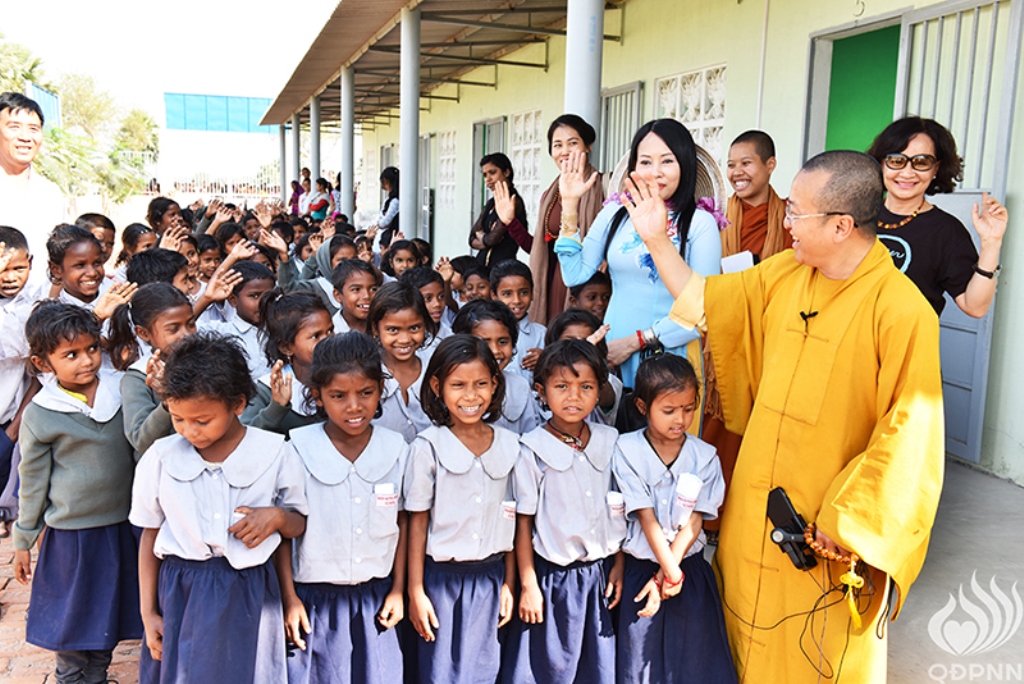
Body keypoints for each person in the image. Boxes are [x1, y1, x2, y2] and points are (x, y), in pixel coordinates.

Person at [628, 150, 945, 681]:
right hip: (757, 508)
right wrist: (657, 239)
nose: (786, 222)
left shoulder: (901, 309)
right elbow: (705, 302)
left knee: (818, 653)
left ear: (842, 225)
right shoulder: (787, 273)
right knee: (736, 641)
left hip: (824, 532)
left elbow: (911, 434)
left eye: (796, 213)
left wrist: (852, 524)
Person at [130, 332, 308, 683]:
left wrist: (276, 518)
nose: (188, 430)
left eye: (202, 420)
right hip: (183, 591)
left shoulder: (275, 452)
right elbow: (149, 537)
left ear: (238, 404)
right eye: (178, 419)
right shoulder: (161, 458)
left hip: (253, 589)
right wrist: (148, 612)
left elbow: (297, 524)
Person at [14, 302, 143, 684]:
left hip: (120, 525)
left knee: (109, 607)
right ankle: (70, 677)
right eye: (70, 355)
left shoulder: (120, 392)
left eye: (91, 349)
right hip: (71, 534)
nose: (85, 361)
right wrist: (23, 538)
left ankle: (98, 676)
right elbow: (33, 479)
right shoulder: (42, 412)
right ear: (42, 363)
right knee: (73, 613)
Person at [276, 332, 408, 684]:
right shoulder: (298, 449)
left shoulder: (397, 449)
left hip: (376, 600)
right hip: (314, 600)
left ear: (380, 390)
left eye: (366, 393)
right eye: (338, 396)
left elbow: (404, 524)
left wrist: (398, 589)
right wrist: (289, 600)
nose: (354, 406)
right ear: (317, 396)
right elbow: (284, 535)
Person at [555, 118, 722, 387]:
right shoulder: (615, 214)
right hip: (611, 355)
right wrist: (570, 203)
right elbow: (574, 274)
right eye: (645, 162)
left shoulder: (700, 224)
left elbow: (704, 310)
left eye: (667, 161)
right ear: (633, 168)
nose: (655, 172)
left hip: (669, 358)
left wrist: (636, 341)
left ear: (685, 164)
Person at [502, 340, 625, 684]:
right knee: (549, 667)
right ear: (541, 392)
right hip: (553, 577)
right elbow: (523, 524)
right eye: (561, 387)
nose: (574, 397)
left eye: (586, 387)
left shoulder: (611, 440)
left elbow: (621, 511)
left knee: (595, 666)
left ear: (599, 391)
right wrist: (528, 584)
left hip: (600, 576)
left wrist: (618, 564)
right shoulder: (531, 449)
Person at [612, 354, 735, 684]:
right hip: (641, 571)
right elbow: (645, 516)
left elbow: (696, 520)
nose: (680, 419)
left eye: (688, 408)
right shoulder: (626, 449)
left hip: (688, 571)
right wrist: (667, 574)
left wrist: (671, 573)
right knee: (637, 662)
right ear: (642, 406)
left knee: (691, 663)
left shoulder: (704, 455)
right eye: (668, 410)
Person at [404, 334, 518, 684]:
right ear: (437, 386)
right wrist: (415, 590)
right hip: (441, 583)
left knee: (486, 671)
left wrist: (509, 583)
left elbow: (514, 522)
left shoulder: (512, 446)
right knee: (440, 672)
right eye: (458, 385)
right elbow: (416, 522)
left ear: (495, 384)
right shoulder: (428, 447)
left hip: (491, 578)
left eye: (481, 384)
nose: (471, 396)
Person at [866, 116, 1008, 317]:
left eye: (921, 162)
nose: (907, 173)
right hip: (843, 343)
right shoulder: (855, 215)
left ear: (936, 169)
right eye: (897, 161)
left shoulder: (946, 231)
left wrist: (992, 243)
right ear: (881, 163)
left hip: (907, 345)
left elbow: (974, 307)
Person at [504, 114, 605, 324]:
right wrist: (510, 222)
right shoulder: (550, 195)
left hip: (586, 285)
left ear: (588, 146)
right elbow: (538, 248)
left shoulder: (604, 188)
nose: (565, 151)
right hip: (549, 281)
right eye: (557, 145)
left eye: (573, 143)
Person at [109, 283, 197, 456]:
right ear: (143, 333)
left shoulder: (204, 361)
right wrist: (168, 399)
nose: (186, 335)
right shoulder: (138, 378)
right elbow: (140, 439)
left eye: (191, 324)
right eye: (173, 329)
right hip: (164, 470)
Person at [242, 291, 334, 435]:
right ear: (286, 347)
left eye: (330, 331)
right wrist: (276, 407)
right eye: (315, 336)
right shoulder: (267, 391)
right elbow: (246, 438)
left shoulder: (343, 375)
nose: (327, 341)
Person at [451, 299, 543, 435]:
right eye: (484, 342)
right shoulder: (451, 386)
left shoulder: (519, 386)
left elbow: (529, 434)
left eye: (503, 342)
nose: (495, 350)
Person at [0, 92, 66, 273]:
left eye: (33, 129)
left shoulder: (51, 193)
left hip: (46, 299)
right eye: (14, 127)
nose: (25, 137)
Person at [368, 282, 437, 442]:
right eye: (393, 330)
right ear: (375, 329)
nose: (405, 339)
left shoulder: (435, 368)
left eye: (414, 328)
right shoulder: (366, 374)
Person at [544, 308, 621, 426]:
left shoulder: (609, 381)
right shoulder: (544, 379)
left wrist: (587, 353)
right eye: (569, 342)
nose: (577, 348)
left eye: (586, 386)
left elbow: (607, 398)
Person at [722, 131, 791, 263]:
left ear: (770, 165)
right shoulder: (718, 215)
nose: (737, 172)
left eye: (746, 163)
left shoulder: (790, 217)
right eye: (731, 165)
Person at [46, 225, 136, 319]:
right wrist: (97, 317)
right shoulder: (53, 315)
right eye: (80, 265)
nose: (92, 273)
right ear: (56, 270)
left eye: (97, 263)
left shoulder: (117, 297)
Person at [490, 259, 545, 379]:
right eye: (507, 294)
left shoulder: (542, 335)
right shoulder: (483, 332)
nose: (517, 300)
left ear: (532, 293)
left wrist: (546, 360)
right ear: (494, 295)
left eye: (524, 292)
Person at [470, 153, 528, 266]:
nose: (488, 179)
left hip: (503, 268)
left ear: (506, 172)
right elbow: (471, 238)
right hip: (482, 267)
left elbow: (492, 239)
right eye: (485, 175)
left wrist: (482, 237)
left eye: (492, 172)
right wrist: (486, 239)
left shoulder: (514, 202)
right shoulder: (491, 203)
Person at [330, 258, 382, 334]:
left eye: (373, 289)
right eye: (356, 289)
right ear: (338, 295)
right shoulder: (333, 332)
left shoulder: (382, 325)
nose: (366, 296)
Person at [370, 167, 400, 251]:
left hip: (390, 234)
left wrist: (378, 223)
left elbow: (385, 222)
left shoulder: (395, 201)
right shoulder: (390, 199)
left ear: (386, 181)